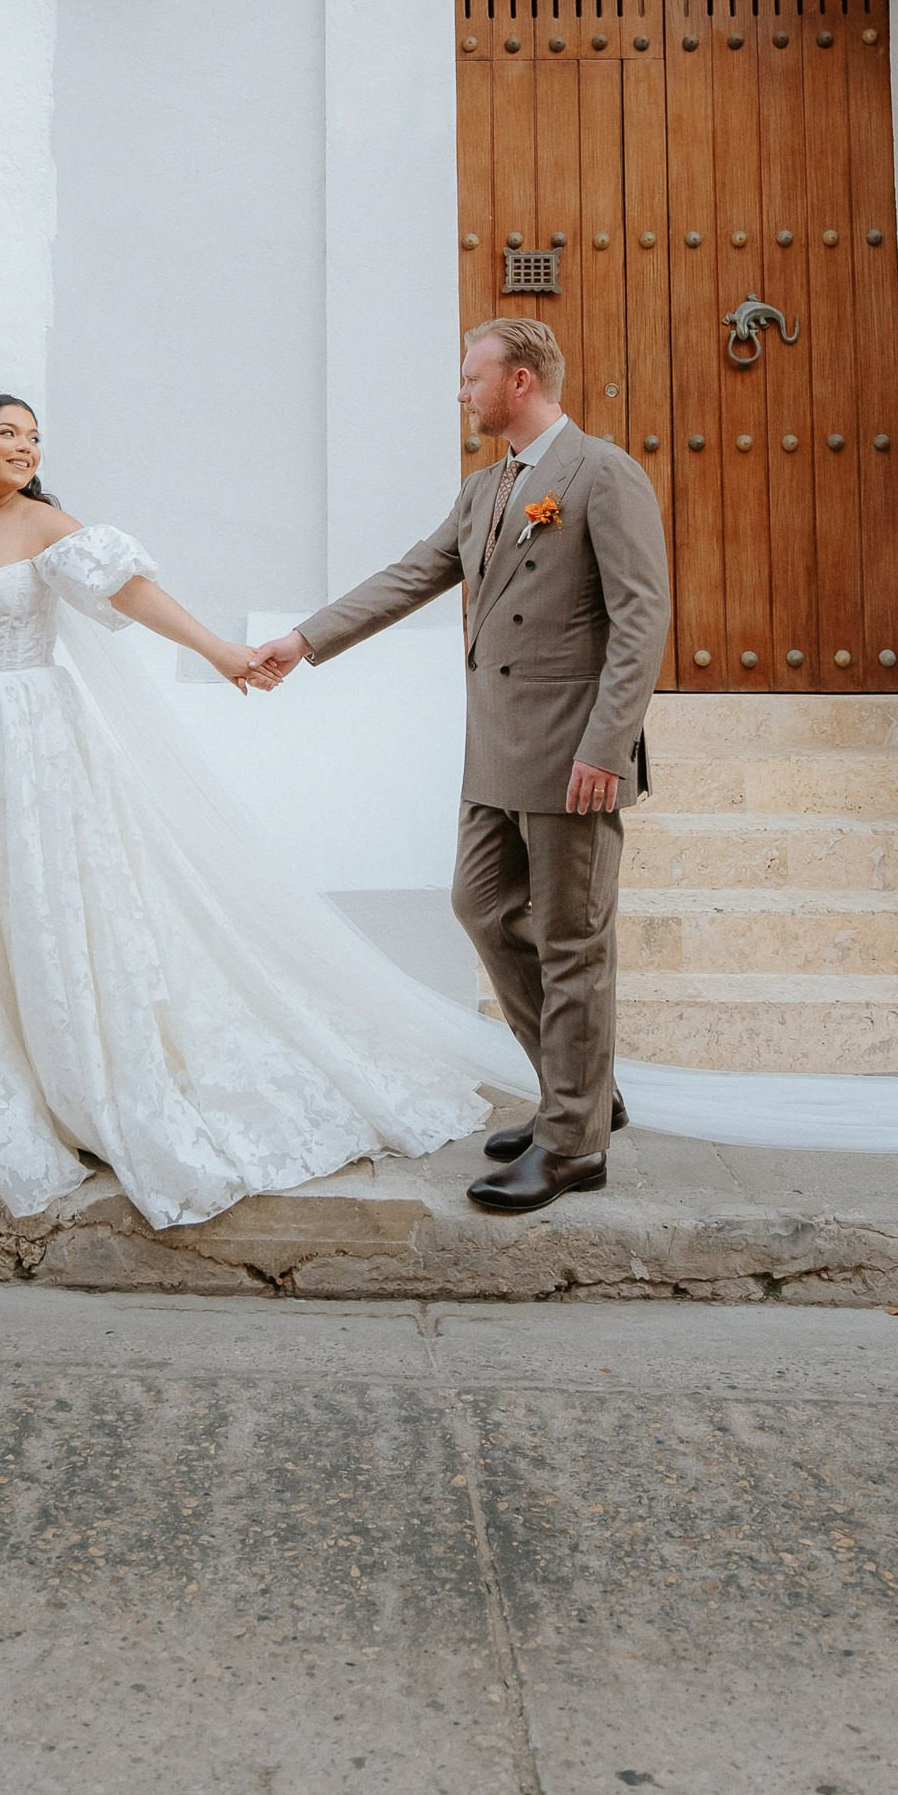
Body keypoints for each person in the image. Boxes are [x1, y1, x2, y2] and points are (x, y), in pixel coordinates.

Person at [0, 391, 541, 1231]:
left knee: (34, 893)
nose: (23, 445)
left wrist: (220, 650)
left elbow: (130, 592)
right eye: (7, 432)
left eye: (34, 436)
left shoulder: (46, 524)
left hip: (32, 735)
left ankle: (74, 1073)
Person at [247, 319, 670, 1218]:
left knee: (572, 942)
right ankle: (582, 1089)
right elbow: (410, 575)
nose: (461, 392)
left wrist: (605, 745)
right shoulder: (486, 489)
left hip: (571, 757)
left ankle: (570, 1143)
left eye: (470, 378)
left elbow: (641, 619)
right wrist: (301, 640)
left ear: (518, 382)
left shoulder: (601, 473)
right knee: (479, 908)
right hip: (495, 754)